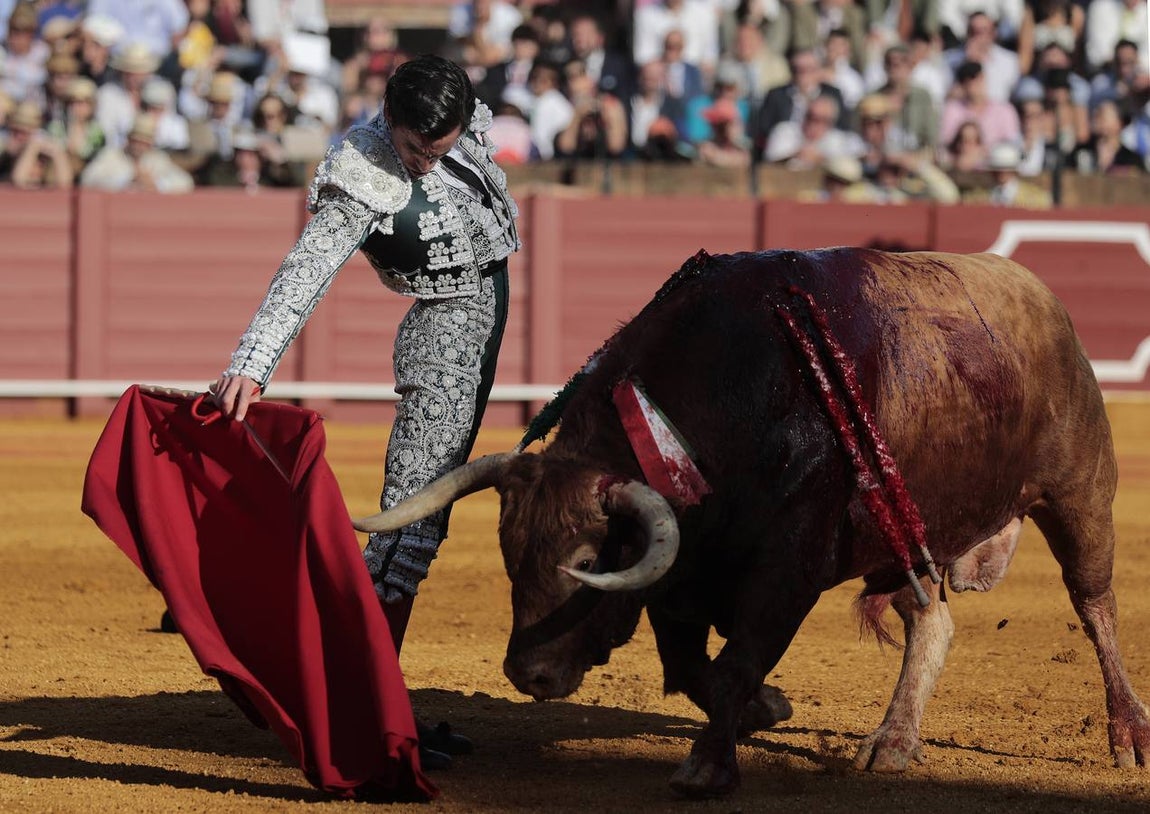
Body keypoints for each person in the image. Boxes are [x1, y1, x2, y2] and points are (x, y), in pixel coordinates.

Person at [210, 55, 519, 765]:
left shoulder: (454, 122)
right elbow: (307, 267)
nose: (421, 163)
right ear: (391, 121)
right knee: (408, 529)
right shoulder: (364, 171)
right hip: (445, 340)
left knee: (417, 525)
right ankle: (360, 717)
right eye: (414, 148)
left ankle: (370, 700)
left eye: (436, 150)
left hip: (474, 331)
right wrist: (253, 364)